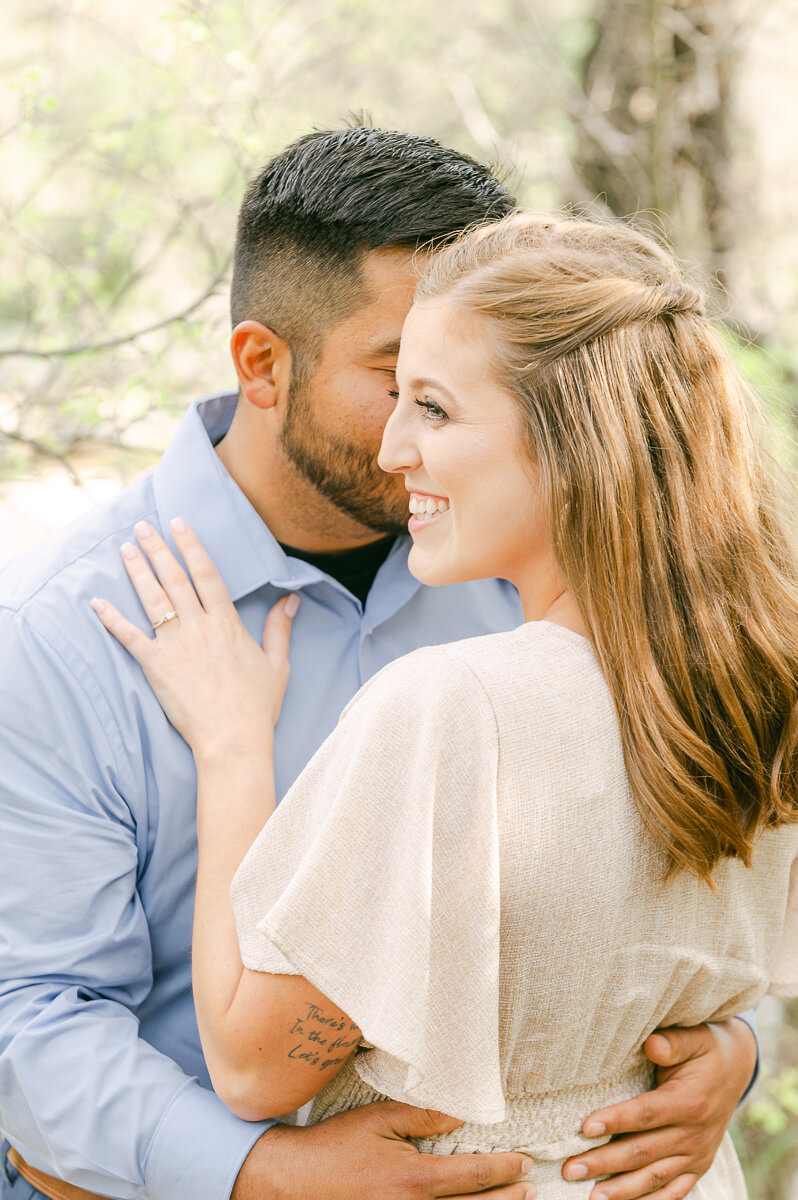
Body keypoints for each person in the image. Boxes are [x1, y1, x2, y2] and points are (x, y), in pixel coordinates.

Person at [0, 131, 758, 1200]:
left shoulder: (534, 566)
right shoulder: (61, 631)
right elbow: (30, 1020)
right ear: (263, 365)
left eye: (448, 391)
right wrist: (262, 1175)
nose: (411, 434)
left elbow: (669, 882)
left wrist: (722, 1052)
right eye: (397, 376)